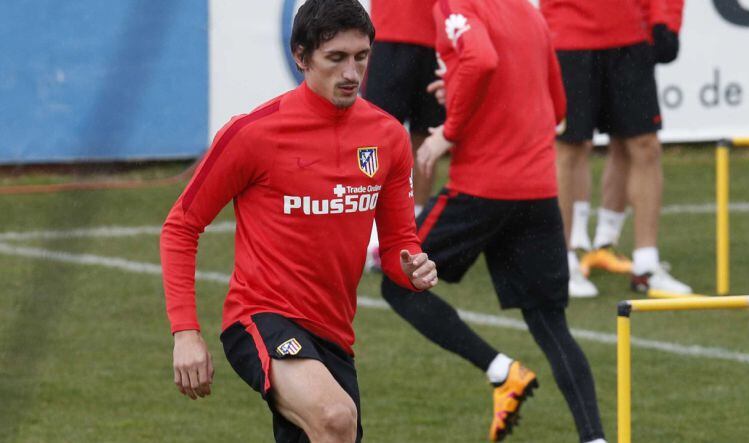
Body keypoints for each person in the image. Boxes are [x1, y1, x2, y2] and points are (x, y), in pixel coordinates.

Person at [159, 1, 437, 441]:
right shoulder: (252, 134)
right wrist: (186, 333)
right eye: (336, 58)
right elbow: (181, 227)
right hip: (260, 317)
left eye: (361, 57)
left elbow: (399, 244)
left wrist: (414, 268)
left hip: (335, 334)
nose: (351, 72)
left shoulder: (386, 136)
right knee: (334, 418)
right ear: (301, 57)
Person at [381, 0, 606, 441]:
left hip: (481, 188)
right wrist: (464, 90)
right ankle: (594, 438)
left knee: (398, 282)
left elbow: (481, 59)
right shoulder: (529, 11)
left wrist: (447, 132)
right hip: (538, 192)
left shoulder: (455, 5)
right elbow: (557, 105)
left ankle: (501, 371)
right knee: (549, 324)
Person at [540, 0, 692, 297]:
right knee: (568, 149)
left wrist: (666, 21)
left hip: (631, 38)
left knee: (644, 146)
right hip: (568, 36)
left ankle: (646, 265)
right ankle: (562, 261)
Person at [362, 0, 445, 271]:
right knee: (376, 138)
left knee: (426, 136)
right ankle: (371, 232)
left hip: (437, 37)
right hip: (390, 35)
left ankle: (416, 229)